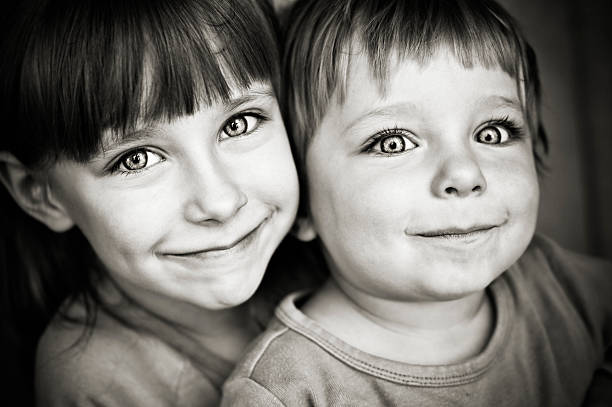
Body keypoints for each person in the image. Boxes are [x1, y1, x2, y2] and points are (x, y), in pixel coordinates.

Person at [221, 0, 612, 405]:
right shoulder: (286, 392)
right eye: (393, 143)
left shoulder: (564, 287)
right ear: (301, 200)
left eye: (493, 132)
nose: (464, 175)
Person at [0, 0, 309, 405]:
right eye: (137, 159)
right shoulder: (94, 384)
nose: (219, 201)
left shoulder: (339, 255)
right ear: (40, 194)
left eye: (239, 123)